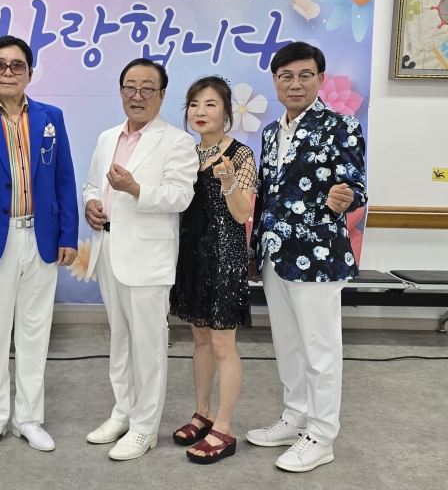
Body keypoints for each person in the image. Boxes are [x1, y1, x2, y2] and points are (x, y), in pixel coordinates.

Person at [0, 35, 78, 454]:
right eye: (0, 65)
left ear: (29, 72)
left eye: (17, 65)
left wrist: (68, 235)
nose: (8, 72)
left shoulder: (50, 117)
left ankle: (29, 418)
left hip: (41, 237)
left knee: (35, 331)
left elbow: (64, 179)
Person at [246, 42, 367, 472]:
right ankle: (295, 417)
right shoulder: (269, 132)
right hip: (275, 255)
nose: (295, 84)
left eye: (304, 75)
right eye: (286, 76)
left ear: (319, 79)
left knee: (320, 350)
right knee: (289, 345)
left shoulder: (341, 126)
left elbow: (356, 185)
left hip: (318, 256)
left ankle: (321, 435)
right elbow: (266, 197)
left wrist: (344, 197)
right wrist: (255, 250)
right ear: (275, 81)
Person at [82, 58, 198, 461]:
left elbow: (181, 196)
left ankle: (145, 427)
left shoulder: (177, 141)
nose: (137, 95)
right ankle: (123, 412)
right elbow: (92, 185)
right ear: (120, 92)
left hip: (148, 257)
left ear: (161, 95)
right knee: (119, 339)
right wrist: (90, 205)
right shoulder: (107, 137)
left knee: (148, 345)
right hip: (108, 249)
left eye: (147, 88)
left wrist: (135, 189)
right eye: (130, 87)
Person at [168, 76, 256, 464]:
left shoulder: (240, 154)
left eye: (210, 104)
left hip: (224, 257)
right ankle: (202, 413)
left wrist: (228, 181)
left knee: (222, 344)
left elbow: (242, 213)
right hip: (192, 255)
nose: (200, 112)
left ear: (226, 112)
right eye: (194, 105)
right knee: (200, 338)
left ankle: (224, 428)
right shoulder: (187, 154)